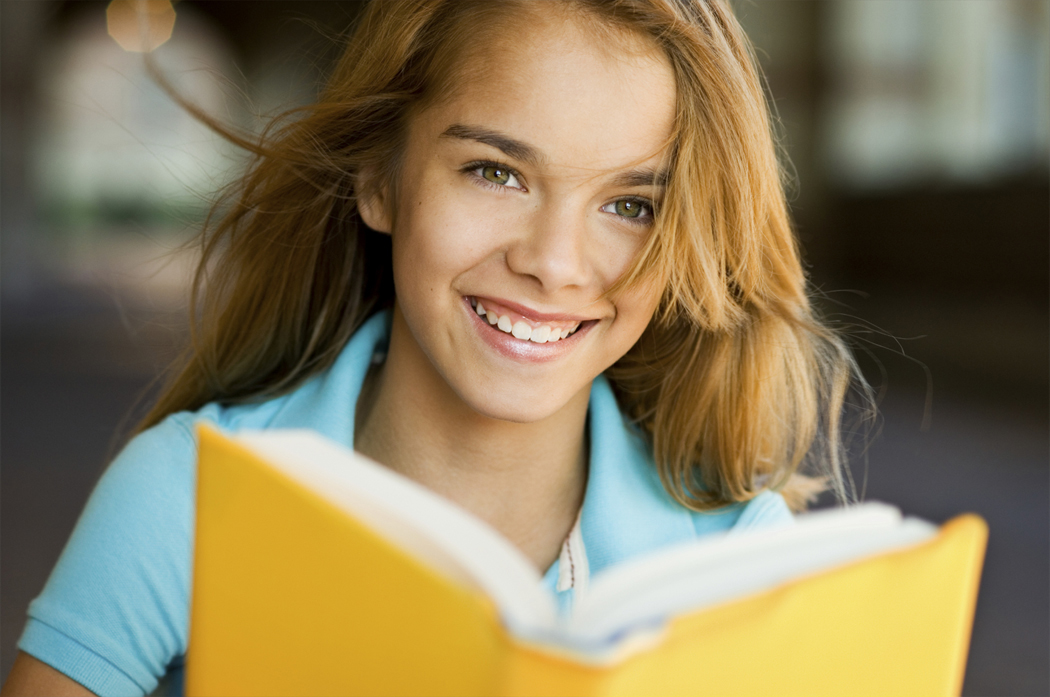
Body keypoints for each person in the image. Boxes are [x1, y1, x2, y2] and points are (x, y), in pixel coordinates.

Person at [3, 0, 868, 694]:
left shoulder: (739, 558)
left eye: (630, 204)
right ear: (381, 176)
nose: (554, 263)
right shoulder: (186, 494)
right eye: (496, 172)